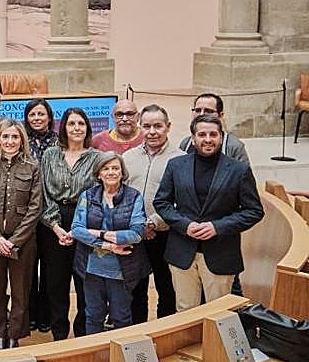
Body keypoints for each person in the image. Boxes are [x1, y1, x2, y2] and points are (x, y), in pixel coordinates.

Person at [155, 114, 265, 311]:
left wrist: (217, 227)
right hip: (182, 252)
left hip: (220, 253)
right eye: (202, 134)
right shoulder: (176, 165)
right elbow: (162, 202)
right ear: (193, 138)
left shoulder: (239, 170)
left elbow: (254, 211)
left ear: (221, 137)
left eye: (213, 134)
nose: (208, 139)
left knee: (218, 313)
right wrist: (185, 225)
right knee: (184, 311)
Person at [0, 119, 42, 349]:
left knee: (21, 290)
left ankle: (15, 335)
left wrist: (14, 241)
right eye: (6, 137)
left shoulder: (32, 166)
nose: (10, 141)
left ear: (22, 140)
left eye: (15, 137)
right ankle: (0, 334)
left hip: (22, 241)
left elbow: (35, 208)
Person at [39, 107, 101, 340]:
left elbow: (98, 195)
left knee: (85, 280)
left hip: (85, 222)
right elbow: (44, 193)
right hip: (53, 224)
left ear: (87, 128)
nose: (76, 128)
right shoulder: (50, 155)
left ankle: (83, 330)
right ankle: (59, 332)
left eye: (81, 124)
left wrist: (78, 229)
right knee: (56, 282)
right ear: (63, 127)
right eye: (72, 123)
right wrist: (56, 226)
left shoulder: (97, 157)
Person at [71, 152, 148, 334]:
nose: (111, 172)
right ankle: (95, 351)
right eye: (105, 169)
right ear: (98, 174)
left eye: (115, 168)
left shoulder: (134, 196)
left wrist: (99, 233)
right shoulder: (88, 196)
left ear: (122, 172)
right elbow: (77, 229)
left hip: (121, 269)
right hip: (91, 268)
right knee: (93, 316)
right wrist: (109, 245)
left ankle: (121, 351)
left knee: (121, 316)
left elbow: (136, 233)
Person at [123, 105, 183, 323]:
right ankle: (136, 330)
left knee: (166, 286)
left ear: (168, 127)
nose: (152, 132)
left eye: (158, 126)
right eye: (147, 126)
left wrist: (153, 223)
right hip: (134, 234)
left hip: (165, 234)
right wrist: (139, 225)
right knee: (135, 287)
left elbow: (181, 201)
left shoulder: (181, 159)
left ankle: (163, 330)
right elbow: (121, 194)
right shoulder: (128, 157)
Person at [23, 97, 57, 332]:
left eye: (41, 114)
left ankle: (46, 315)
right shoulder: (21, 141)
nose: (37, 118)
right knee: (27, 268)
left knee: (49, 268)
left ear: (49, 117)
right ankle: (30, 314)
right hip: (26, 212)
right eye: (32, 114)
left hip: (51, 212)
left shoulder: (58, 141)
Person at [178, 93, 251, 165]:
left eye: (208, 111)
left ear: (220, 115)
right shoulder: (186, 144)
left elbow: (243, 171)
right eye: (198, 110)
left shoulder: (234, 146)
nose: (201, 114)